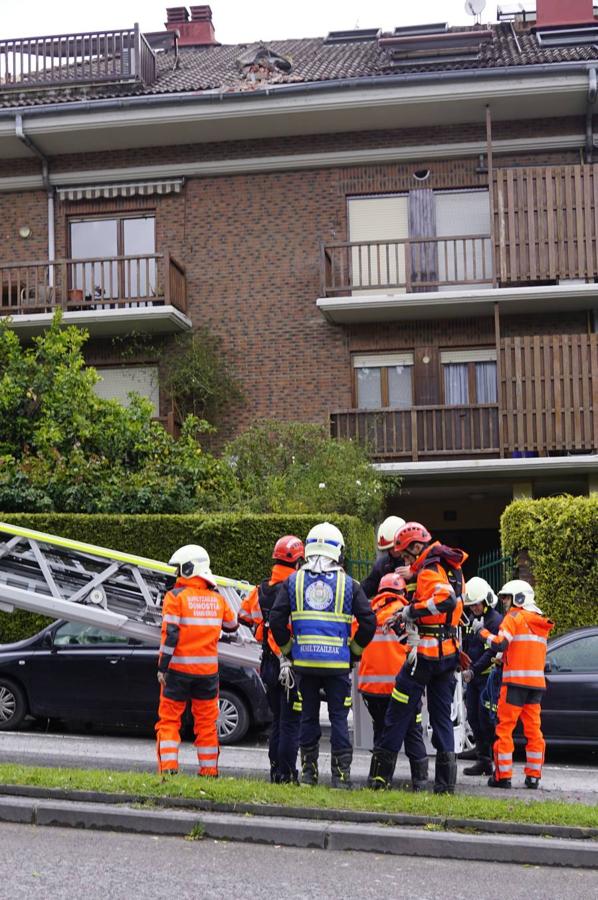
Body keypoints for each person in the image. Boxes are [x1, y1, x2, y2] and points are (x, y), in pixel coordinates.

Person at [269, 522, 376, 789]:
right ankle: (341, 778)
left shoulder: (293, 581)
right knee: (339, 718)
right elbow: (369, 622)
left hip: (304, 663)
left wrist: (288, 650)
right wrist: (354, 652)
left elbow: (276, 619)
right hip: (338, 664)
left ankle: (308, 775)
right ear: (338, 550)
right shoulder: (349, 584)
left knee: (308, 717)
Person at [367, 522, 467, 794]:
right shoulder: (450, 566)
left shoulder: (429, 570)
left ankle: (379, 779)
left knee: (397, 712)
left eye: (407, 555)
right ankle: (445, 787)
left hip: (423, 655)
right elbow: (454, 601)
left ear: (415, 546)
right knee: (441, 719)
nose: (406, 560)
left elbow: (444, 599)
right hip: (447, 655)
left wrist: (411, 611)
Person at [155, 544, 238, 777]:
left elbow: (170, 634)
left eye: (179, 570)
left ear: (190, 569)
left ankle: (169, 769)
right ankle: (209, 771)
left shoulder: (174, 597)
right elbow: (232, 625)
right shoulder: (217, 599)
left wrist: (162, 667)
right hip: (208, 674)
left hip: (178, 671)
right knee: (206, 724)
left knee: (170, 721)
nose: (176, 575)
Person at [471, 579, 554, 789]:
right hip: (535, 686)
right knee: (534, 731)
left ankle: (503, 776)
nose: (505, 603)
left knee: (504, 729)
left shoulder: (514, 617)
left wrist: (481, 632)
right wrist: (504, 657)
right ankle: (534, 776)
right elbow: (524, 650)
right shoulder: (540, 621)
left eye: (507, 598)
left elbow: (500, 643)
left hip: (514, 684)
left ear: (519, 598)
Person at [238, 535, 305, 783]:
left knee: (278, 721)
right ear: (298, 562)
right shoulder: (296, 590)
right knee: (291, 723)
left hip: (268, 664)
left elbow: (243, 616)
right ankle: (287, 775)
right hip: (289, 664)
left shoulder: (261, 589)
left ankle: (276, 772)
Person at [357, 572, 428, 791]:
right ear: (401, 592)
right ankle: (420, 782)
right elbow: (417, 647)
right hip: (402, 689)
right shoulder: (405, 615)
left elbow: (355, 642)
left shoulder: (367, 614)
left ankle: (378, 779)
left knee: (382, 731)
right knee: (413, 730)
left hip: (371, 689)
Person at [461, 576, 503, 777]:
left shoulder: (495, 621)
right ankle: (482, 756)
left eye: (475, 605)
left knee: (486, 720)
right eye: (470, 606)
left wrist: (473, 670)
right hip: (473, 678)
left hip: (487, 679)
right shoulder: (471, 619)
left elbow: (491, 652)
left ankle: (488, 760)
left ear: (485, 601)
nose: (473, 609)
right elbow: (467, 644)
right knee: (473, 718)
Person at [361, 515, 406, 599]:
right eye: (388, 549)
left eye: (394, 547)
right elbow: (368, 587)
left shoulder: (417, 563)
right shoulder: (382, 565)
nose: (392, 551)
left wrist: (413, 575)